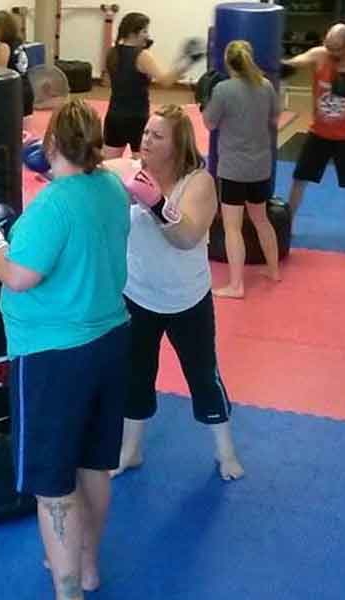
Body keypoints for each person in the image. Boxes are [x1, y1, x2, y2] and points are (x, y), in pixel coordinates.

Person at [0, 99, 131, 600]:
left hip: (53, 356)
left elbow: (19, 276)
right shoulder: (110, 186)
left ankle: (67, 591)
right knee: (93, 465)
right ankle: (87, 568)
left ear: (54, 144)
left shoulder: (52, 205)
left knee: (51, 484)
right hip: (109, 341)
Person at [105, 104, 244, 482]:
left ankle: (225, 451)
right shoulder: (131, 171)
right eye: (146, 132)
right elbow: (90, 171)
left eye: (157, 135)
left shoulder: (197, 182)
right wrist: (52, 160)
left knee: (202, 374)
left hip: (187, 299)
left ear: (176, 144)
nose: (147, 140)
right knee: (135, 374)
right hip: (137, 294)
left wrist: (157, 205)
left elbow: (187, 237)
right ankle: (130, 451)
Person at [202, 40, 281, 298]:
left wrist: (206, 100)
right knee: (261, 219)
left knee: (232, 227)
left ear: (227, 62)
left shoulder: (224, 89)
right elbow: (274, 118)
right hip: (260, 166)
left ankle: (236, 285)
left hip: (234, 169)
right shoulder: (266, 85)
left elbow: (210, 124)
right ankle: (274, 271)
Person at [281, 23, 345, 216]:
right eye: (328, 46)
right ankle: (288, 222)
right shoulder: (320, 55)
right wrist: (278, 64)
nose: (331, 52)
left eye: (336, 49)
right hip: (320, 134)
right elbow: (298, 61)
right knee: (300, 177)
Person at [103, 12, 204, 159]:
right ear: (133, 33)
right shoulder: (142, 55)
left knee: (110, 166)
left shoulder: (112, 52)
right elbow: (165, 81)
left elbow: (108, 82)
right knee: (143, 166)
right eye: (144, 31)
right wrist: (189, 61)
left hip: (114, 116)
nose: (147, 35)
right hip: (136, 118)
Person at [0, 10, 34, 119]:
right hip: (26, 91)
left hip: (15, 95)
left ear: (0, 29)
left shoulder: (4, 47)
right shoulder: (19, 43)